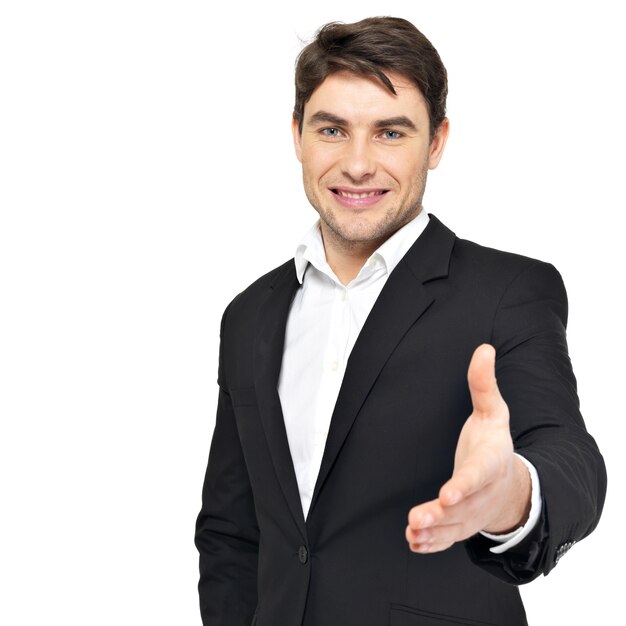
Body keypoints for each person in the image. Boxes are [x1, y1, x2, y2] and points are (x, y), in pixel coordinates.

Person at [195, 16, 606, 626]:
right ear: (297, 135)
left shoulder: (509, 291)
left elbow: (567, 453)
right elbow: (232, 529)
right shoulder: (249, 313)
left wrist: (511, 496)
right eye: (333, 130)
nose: (358, 165)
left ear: (436, 142)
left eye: (390, 133)